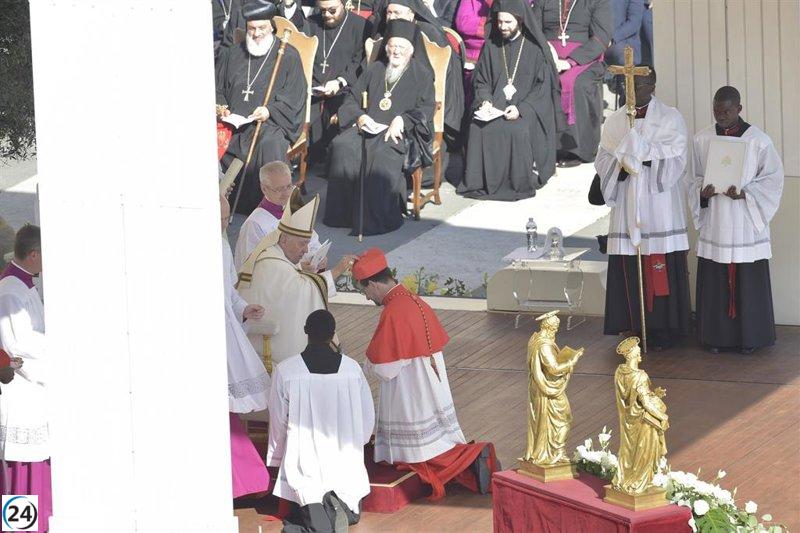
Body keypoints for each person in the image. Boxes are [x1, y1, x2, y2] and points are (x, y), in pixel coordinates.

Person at [353, 248, 497, 500]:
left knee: (419, 455)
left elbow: (386, 368)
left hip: (412, 389)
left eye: (364, 291)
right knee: (433, 441)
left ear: (374, 284)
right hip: (426, 379)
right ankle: (470, 460)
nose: (366, 298)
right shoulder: (410, 299)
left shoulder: (395, 310)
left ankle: (473, 459)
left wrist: (364, 366)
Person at [595, 67, 691, 350]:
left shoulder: (670, 118)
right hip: (628, 199)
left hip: (658, 204)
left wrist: (643, 155)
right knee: (629, 261)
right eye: (629, 85)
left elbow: (677, 156)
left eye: (639, 85)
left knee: (658, 260)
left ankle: (664, 328)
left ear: (653, 84)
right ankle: (632, 325)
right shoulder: (615, 120)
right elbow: (603, 159)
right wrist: (621, 166)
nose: (633, 92)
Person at [689, 86, 784, 354]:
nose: (721, 116)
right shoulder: (701, 139)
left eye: (727, 111)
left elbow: (773, 180)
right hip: (717, 221)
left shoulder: (758, 140)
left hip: (744, 222)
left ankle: (750, 338)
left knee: (747, 279)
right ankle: (715, 338)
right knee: (716, 279)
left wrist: (746, 193)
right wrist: (702, 191)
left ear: (739, 109)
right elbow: (693, 177)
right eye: (716, 111)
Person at [324, 20, 435, 235]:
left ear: (411, 51)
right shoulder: (375, 69)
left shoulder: (422, 75)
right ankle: (344, 215)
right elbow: (351, 99)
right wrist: (360, 117)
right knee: (342, 146)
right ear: (386, 47)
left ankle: (377, 218)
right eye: (392, 45)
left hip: (399, 132)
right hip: (367, 127)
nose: (396, 51)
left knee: (382, 154)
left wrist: (402, 120)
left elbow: (427, 108)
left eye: (401, 47)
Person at [268, 310, 374, 532]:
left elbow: (278, 420)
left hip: (305, 461)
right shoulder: (352, 369)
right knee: (347, 511)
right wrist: (358, 443)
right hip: (345, 459)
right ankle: (339, 506)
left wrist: (277, 456)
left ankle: (319, 509)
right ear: (333, 334)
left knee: (310, 512)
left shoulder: (287, 370)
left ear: (305, 331)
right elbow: (367, 416)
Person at [458, 0, 562, 200]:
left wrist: (521, 109)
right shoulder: (491, 46)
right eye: (499, 22)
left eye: (508, 22)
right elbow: (482, 81)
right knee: (478, 126)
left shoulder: (535, 49)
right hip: (495, 105)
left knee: (516, 128)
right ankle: (481, 183)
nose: (502, 27)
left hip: (526, 108)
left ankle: (518, 182)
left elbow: (541, 90)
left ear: (520, 20)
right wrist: (485, 101)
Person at [237, 195, 355, 366]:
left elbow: (291, 282)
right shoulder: (272, 263)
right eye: (302, 244)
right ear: (284, 239)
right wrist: (336, 271)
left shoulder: (274, 253)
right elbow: (302, 291)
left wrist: (302, 270)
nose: (306, 249)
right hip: (268, 350)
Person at [216, 0, 307, 215]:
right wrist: (222, 107)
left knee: (271, 143)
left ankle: (272, 206)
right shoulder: (232, 54)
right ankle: (221, 203)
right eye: (251, 28)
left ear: (272, 27)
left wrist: (269, 110)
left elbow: (295, 97)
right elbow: (217, 88)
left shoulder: (288, 55)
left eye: (262, 28)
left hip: (268, 125)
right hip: (234, 124)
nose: (256, 34)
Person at [219, 196, 272, 499]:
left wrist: (243, 309)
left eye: (227, 218)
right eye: (221, 218)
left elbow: (229, 291)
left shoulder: (222, 243)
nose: (226, 225)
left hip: (224, 327)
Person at [0, 224, 51, 531]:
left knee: (37, 464)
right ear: (33, 255)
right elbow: (18, 344)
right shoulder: (10, 292)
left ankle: (39, 522)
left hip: (35, 393)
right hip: (21, 395)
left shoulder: (24, 284)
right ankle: (19, 526)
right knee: (21, 470)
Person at [372, 0, 466, 158]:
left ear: (411, 13)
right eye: (389, 13)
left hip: (418, 103)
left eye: (397, 13)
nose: (392, 17)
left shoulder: (429, 33)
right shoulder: (384, 30)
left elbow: (438, 80)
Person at [532, 0, 612, 166]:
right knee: (538, 81)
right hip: (547, 57)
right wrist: (548, 56)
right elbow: (535, 31)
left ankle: (576, 149)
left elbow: (601, 36)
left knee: (577, 84)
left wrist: (572, 61)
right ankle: (544, 146)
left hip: (585, 59)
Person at [302, 0, 371, 165]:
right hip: (314, 87)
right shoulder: (311, 23)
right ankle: (306, 161)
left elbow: (359, 61)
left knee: (343, 111)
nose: (327, 15)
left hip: (345, 87)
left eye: (332, 10)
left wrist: (340, 81)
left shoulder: (361, 26)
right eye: (323, 10)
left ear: (344, 3)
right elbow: (304, 55)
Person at [234, 161, 321, 269]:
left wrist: (317, 257)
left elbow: (311, 240)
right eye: (279, 189)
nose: (286, 193)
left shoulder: (295, 207)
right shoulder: (255, 223)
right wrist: (298, 269)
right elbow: (250, 266)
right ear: (264, 188)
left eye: (289, 186)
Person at [611, 336, 668, 495]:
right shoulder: (640, 376)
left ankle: (624, 480)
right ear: (633, 355)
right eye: (638, 351)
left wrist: (653, 394)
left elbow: (630, 397)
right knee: (644, 454)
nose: (640, 353)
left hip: (628, 419)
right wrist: (662, 416)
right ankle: (638, 482)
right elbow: (646, 403)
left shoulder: (620, 372)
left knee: (630, 452)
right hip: (643, 422)